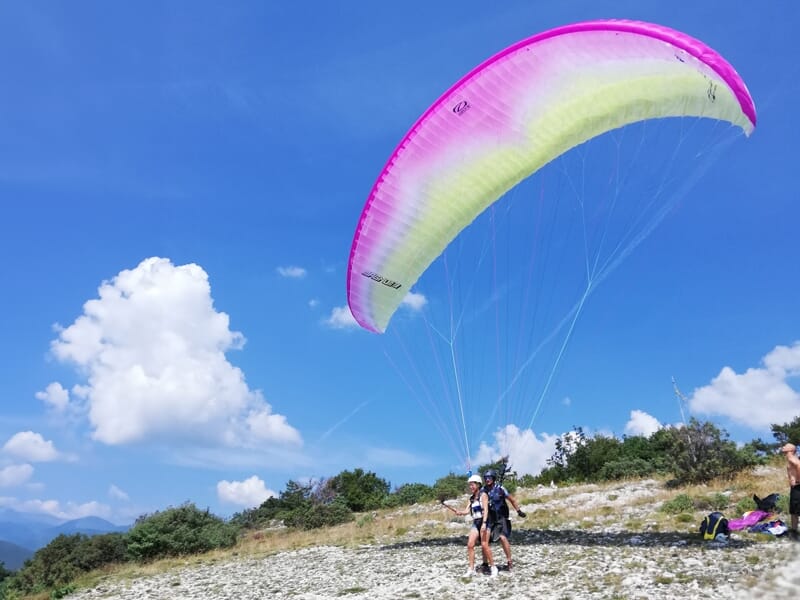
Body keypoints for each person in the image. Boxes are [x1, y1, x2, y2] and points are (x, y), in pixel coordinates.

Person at [482, 469, 526, 570]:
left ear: (493, 478)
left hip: (502, 517)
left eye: (489, 478)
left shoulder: (500, 488)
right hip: (491, 518)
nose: (487, 480)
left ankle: (509, 561)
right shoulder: (484, 491)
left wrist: (519, 511)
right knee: (484, 540)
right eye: (486, 478)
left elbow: (512, 499)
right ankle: (485, 563)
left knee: (502, 537)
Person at [456, 474, 498, 577]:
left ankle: (493, 567)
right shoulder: (471, 499)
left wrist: (484, 523)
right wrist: (460, 512)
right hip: (475, 523)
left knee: (484, 545)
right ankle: (471, 569)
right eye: (470, 485)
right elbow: (467, 511)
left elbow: (486, 510)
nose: (471, 487)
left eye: (472, 485)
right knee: (470, 545)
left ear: (478, 485)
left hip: (484, 522)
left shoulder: (483, 495)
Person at [780, 443, 800, 539]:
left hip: (798, 487)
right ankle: (794, 532)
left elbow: (799, 465)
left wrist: (798, 480)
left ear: (791, 450)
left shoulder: (793, 459)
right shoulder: (790, 459)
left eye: (785, 446)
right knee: (794, 510)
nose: (783, 447)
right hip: (795, 488)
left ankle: (794, 533)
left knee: (795, 511)